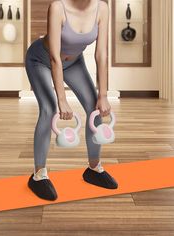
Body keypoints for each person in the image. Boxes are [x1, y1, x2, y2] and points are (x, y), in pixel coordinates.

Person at [25, 0, 118, 201]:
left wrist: (103, 95)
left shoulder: (102, 9)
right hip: (41, 60)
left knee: (95, 108)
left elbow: (101, 54)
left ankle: (94, 169)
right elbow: (54, 58)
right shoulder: (58, 8)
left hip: (74, 63)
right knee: (49, 110)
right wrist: (62, 98)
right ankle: (38, 175)